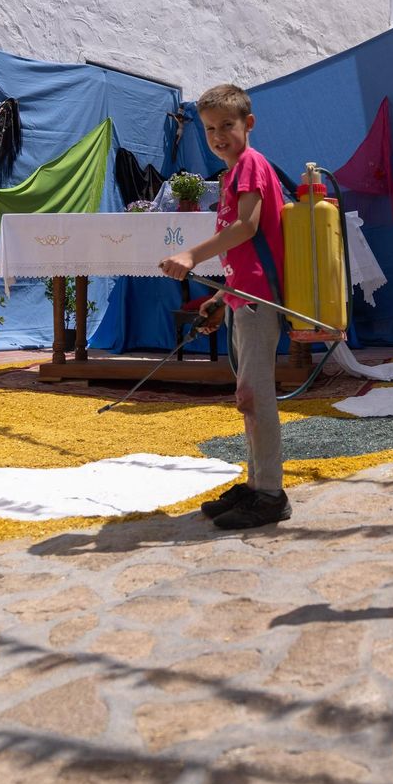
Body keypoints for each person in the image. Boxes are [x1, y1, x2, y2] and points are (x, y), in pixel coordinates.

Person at [160, 84, 290, 530]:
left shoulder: (250, 165)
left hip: (259, 300)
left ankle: (271, 493)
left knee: (257, 397)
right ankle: (256, 486)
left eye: (227, 126)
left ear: (248, 124)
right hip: (242, 298)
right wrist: (220, 297)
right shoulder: (233, 173)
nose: (218, 136)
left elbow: (247, 227)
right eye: (210, 129)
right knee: (247, 397)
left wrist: (192, 256)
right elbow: (247, 253)